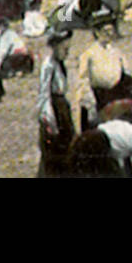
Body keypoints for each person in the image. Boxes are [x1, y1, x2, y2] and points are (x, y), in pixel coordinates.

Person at [75, 16, 132, 131]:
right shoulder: (88, 55)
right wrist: (90, 102)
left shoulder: (116, 53)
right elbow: (83, 81)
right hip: (100, 98)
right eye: (105, 31)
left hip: (117, 93)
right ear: (96, 33)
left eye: (111, 31)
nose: (109, 34)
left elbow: (125, 74)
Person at [37, 29, 75, 177]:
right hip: (54, 109)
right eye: (65, 49)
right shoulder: (48, 65)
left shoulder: (60, 64)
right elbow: (44, 92)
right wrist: (48, 117)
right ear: (55, 47)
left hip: (62, 107)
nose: (67, 53)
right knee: (53, 148)